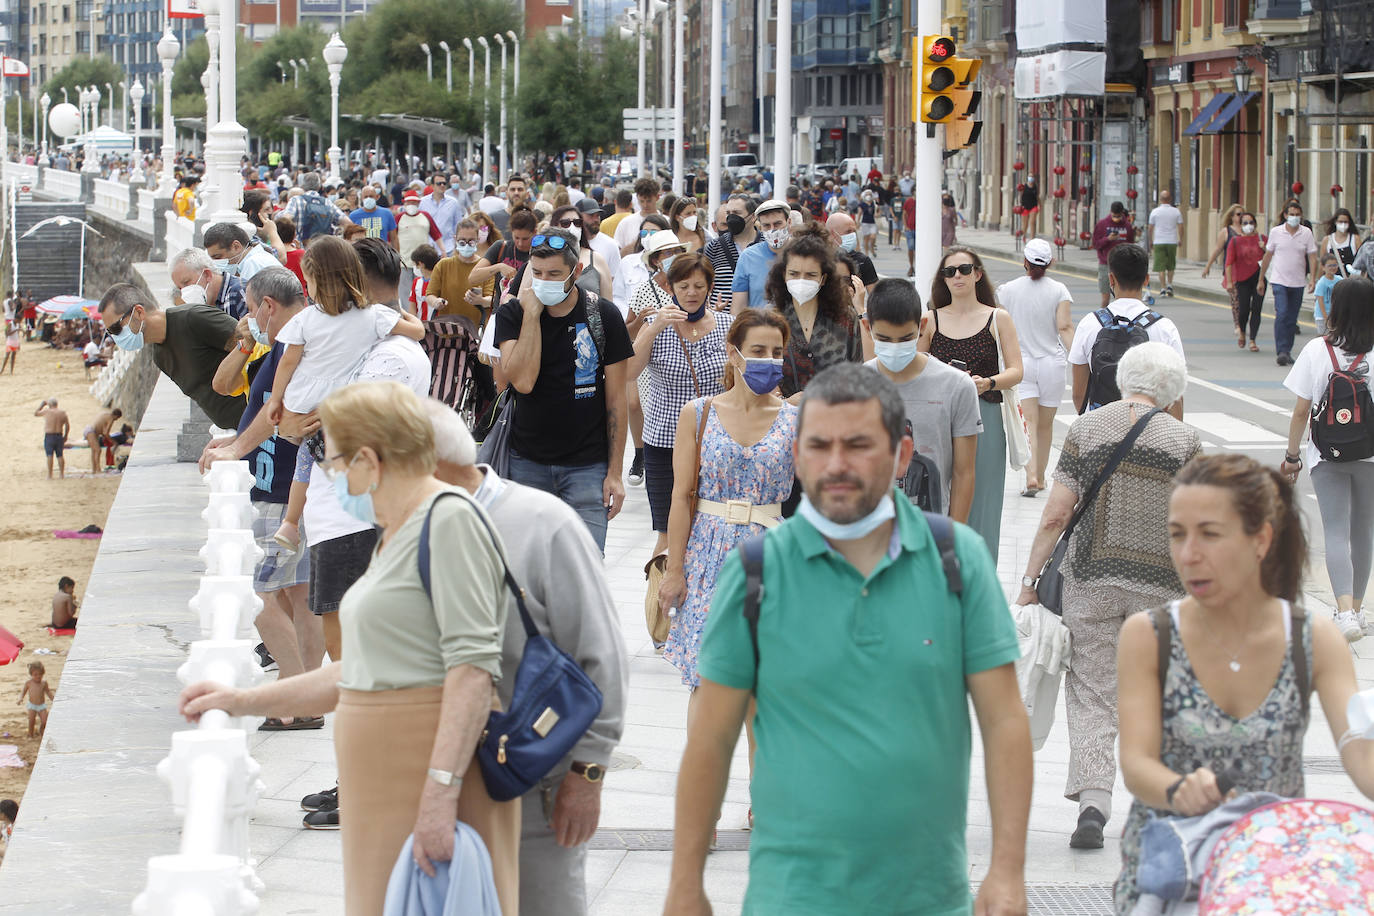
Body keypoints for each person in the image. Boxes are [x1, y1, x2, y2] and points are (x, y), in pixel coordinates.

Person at [663, 363, 1031, 915]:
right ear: (795, 456)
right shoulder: (756, 573)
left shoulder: (957, 562)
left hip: (928, 899)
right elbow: (711, 742)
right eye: (818, 446)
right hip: (790, 898)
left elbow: (1004, 723)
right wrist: (684, 883)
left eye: (858, 445)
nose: (836, 465)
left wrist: (1007, 870)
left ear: (902, 455)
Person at [180, 381, 519, 916]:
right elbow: (364, 668)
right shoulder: (396, 530)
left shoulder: (448, 520)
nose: (328, 476)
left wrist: (439, 792)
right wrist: (243, 701)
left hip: (424, 777)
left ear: (367, 458)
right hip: (389, 782)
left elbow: (474, 671)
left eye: (332, 464)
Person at [1113, 453, 1374, 914]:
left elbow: (1359, 751)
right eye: (1177, 534)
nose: (1188, 553)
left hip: (1270, 881)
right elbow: (1135, 762)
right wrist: (1177, 788)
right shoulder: (1148, 635)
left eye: (1210, 534)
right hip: (1171, 876)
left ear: (1261, 540)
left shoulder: (1312, 639)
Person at [424, 400, 628, 916]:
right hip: (450, 772)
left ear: (427, 461)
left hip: (536, 771)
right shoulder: (415, 525)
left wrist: (588, 773)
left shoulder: (543, 523)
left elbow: (600, 653)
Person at [1016, 342, 1200, 848]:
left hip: (1090, 581)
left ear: (1125, 378)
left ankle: (1095, 803)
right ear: (1173, 389)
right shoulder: (1183, 441)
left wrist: (1030, 581)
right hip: (1161, 589)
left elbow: (1056, 513)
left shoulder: (1089, 429)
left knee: (1092, 690)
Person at [201, 268, 327, 723]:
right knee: (298, 592)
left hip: (281, 487)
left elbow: (276, 415)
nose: (251, 319)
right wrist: (235, 441)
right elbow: (263, 411)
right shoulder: (296, 339)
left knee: (255, 594)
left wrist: (236, 447)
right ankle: (306, 693)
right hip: (292, 483)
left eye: (252, 310)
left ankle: (295, 696)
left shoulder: (295, 342)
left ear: (268, 306)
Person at [263, 236, 426, 551]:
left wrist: (275, 400)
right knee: (307, 457)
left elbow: (288, 362)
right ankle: (293, 523)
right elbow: (418, 332)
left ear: (316, 282)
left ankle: (291, 521)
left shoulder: (306, 319)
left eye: (307, 281)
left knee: (304, 459)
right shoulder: (372, 317)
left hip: (301, 398)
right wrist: (402, 314)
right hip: (333, 398)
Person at [494, 227, 633, 552]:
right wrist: (531, 314)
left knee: (584, 574)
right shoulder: (513, 314)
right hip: (526, 465)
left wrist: (615, 473)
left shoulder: (603, 315)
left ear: (576, 271)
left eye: (555, 274)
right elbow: (523, 381)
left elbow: (616, 399)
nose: (544, 281)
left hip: (587, 468)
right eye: (537, 273)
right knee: (529, 575)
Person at [1281, 275, 1374, 641]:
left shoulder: (1318, 350)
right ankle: (1359, 607)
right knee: (1363, 532)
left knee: (1335, 531)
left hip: (1327, 454)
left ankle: (1345, 611)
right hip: (1370, 453)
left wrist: (1292, 456)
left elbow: (1301, 410)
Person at [919, 247, 1024, 563]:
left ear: (978, 273)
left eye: (964, 269)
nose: (957, 277)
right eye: (949, 272)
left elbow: (1016, 371)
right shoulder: (930, 320)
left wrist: (987, 382)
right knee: (934, 495)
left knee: (983, 503)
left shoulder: (997, 317)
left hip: (985, 414)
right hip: (938, 418)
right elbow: (916, 365)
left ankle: (979, 579)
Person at [626, 253, 733, 551]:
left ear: (709, 288)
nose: (692, 293)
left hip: (715, 441)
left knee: (711, 527)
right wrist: (654, 327)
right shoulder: (655, 325)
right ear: (670, 288)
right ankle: (659, 594)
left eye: (699, 286)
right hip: (664, 442)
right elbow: (630, 372)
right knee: (666, 531)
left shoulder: (729, 324)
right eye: (683, 286)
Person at [864, 278, 981, 521]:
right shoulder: (852, 386)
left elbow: (964, 473)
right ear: (867, 327)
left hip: (929, 533)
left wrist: (952, 539)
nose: (895, 347)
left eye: (906, 338)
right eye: (884, 339)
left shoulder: (957, 386)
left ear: (922, 325)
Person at [99, 285, 246, 429]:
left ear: (139, 312)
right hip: (237, 431)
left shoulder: (193, 318)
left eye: (116, 328)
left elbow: (253, 347)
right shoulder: (159, 356)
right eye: (110, 333)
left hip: (258, 421)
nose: (115, 337)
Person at [1069, 243, 1186, 418]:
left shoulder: (1090, 324)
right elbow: (1176, 396)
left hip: (1101, 425)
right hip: (1149, 428)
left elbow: (1079, 394)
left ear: (1111, 279)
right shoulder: (1164, 328)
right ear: (1146, 280)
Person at [995, 238, 1074, 495]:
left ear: (1025, 262)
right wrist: (1079, 356)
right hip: (1053, 363)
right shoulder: (1060, 290)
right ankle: (1040, 477)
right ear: (1051, 262)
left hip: (1022, 362)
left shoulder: (1006, 291)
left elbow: (1000, 329)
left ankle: (1030, 476)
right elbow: (1064, 327)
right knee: (1046, 425)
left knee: (1028, 421)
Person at [768, 227, 870, 398]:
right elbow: (761, 380)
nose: (801, 280)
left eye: (810, 275)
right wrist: (784, 403)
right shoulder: (771, 321)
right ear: (783, 275)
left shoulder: (845, 319)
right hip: (786, 419)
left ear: (823, 279)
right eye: (794, 273)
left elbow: (858, 373)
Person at [1259, 199, 1319, 367]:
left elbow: (1312, 257)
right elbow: (1268, 255)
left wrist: (1312, 279)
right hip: (1279, 280)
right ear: (1285, 215)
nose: (1294, 217)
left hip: (1298, 281)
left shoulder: (1306, 232)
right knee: (1282, 313)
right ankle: (1281, 351)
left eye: (1297, 215)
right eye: (1291, 214)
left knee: (1292, 318)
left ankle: (1288, 350)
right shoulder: (1276, 232)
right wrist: (1261, 279)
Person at [420, 220, 496, 325]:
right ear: (455, 239)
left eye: (471, 241)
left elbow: (491, 299)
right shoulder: (443, 265)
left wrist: (481, 301)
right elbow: (430, 295)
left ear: (478, 240)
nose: (466, 245)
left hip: (475, 330)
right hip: (447, 328)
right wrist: (436, 302)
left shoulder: (485, 267)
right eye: (462, 241)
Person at [731, 200, 793, 312]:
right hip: (759, 326)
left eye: (778, 224)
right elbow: (738, 308)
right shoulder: (748, 257)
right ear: (760, 227)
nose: (772, 229)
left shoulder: (803, 253)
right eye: (766, 226)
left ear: (789, 222)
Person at [1224, 210, 1268, 350]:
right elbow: (1229, 262)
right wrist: (1230, 282)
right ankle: (1242, 332)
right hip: (1242, 279)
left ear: (1255, 224)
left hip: (1259, 278)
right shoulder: (1236, 241)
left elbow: (1272, 257)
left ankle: (1253, 340)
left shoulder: (1262, 239)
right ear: (1241, 224)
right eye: (1245, 223)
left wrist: (1265, 248)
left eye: (1251, 223)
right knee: (1243, 310)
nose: (1248, 225)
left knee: (1256, 309)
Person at [551, 205, 614, 302]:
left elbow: (609, 304)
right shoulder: (542, 259)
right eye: (565, 223)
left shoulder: (597, 259)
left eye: (577, 222)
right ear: (555, 226)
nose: (572, 227)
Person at [169, 246, 248, 319]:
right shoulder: (204, 303)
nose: (184, 292)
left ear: (207, 275)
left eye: (186, 282)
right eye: (180, 288)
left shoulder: (240, 293)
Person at [397, 189, 443, 302]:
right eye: (409, 203)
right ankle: (409, 315)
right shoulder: (399, 218)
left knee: (424, 289)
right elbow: (392, 238)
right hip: (404, 262)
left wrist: (443, 250)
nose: (412, 205)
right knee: (405, 292)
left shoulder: (425, 216)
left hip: (424, 262)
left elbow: (436, 234)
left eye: (414, 203)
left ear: (418, 203)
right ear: (404, 203)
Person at [1091, 201, 1137, 308]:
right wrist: (1108, 239)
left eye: (1119, 216)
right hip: (1105, 264)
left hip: (1122, 265)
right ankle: (1103, 320)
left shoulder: (1127, 226)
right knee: (1105, 298)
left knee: (1121, 298)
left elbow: (1131, 244)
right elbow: (1096, 244)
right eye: (1114, 216)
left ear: (1122, 213)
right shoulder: (1102, 224)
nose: (1116, 218)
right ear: (1111, 212)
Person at [282, 172, 352, 242]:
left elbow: (285, 220)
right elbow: (348, 222)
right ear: (319, 186)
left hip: (301, 248)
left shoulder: (296, 200)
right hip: (323, 247)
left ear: (302, 186)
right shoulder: (327, 203)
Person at [203, 222, 281, 284]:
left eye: (218, 257)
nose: (215, 262)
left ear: (236, 246)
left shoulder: (253, 264)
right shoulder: (255, 259)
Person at [824, 212, 880, 289]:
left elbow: (874, 296)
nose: (853, 235)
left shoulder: (862, 261)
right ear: (832, 233)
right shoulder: (818, 258)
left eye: (854, 231)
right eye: (848, 231)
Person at [1147, 189, 1185, 296]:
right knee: (1171, 264)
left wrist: (1150, 240)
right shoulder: (1176, 211)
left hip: (1159, 241)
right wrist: (1181, 239)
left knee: (1160, 266)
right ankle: (1170, 285)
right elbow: (1181, 226)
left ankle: (1163, 288)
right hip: (1172, 241)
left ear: (1160, 199)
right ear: (1170, 199)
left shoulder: (1155, 212)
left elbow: (1150, 228)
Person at [613, 177, 663, 257]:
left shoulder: (667, 221)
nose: (645, 205)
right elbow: (617, 254)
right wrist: (636, 245)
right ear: (637, 197)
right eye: (642, 201)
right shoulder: (626, 223)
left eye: (649, 201)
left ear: (657, 197)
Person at [418, 175, 461, 255]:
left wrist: (457, 246)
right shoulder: (422, 202)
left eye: (444, 183)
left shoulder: (453, 203)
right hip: (427, 248)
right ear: (432, 186)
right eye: (439, 183)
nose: (442, 185)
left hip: (449, 248)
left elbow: (458, 226)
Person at [34, 398, 70, 479]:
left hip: (49, 436)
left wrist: (42, 405)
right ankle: (61, 474)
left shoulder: (47, 411)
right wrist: (66, 436)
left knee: (49, 455)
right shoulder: (62, 412)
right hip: (59, 435)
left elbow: (36, 413)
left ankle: (50, 475)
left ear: (49, 405)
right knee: (60, 455)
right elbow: (67, 425)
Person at [81, 406, 123, 475]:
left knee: (94, 451)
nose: (116, 420)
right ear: (116, 415)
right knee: (98, 450)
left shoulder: (105, 414)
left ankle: (94, 470)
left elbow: (102, 429)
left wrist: (105, 437)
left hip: (90, 430)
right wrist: (114, 442)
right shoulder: (111, 419)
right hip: (91, 432)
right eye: (117, 418)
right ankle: (98, 469)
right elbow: (106, 433)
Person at [1320, 207, 1360, 276]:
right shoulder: (1327, 240)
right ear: (1335, 222)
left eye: (1345, 222)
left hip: (1350, 281)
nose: (1343, 224)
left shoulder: (1355, 239)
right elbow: (1322, 263)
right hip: (1332, 281)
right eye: (1340, 222)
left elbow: (1360, 261)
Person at [19, 662, 54, 738]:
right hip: (32, 705)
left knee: (45, 721)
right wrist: (20, 698)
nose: (38, 676)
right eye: (35, 674)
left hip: (41, 706)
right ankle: (30, 734)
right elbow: (23, 691)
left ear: (43, 674)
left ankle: (41, 729)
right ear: (31, 674)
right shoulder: (29, 683)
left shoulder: (44, 683)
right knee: (31, 721)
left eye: (40, 674)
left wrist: (53, 699)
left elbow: (48, 692)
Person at [1311, 253, 1342, 337]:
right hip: (1322, 316)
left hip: (1334, 315)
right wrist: (1326, 318)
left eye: (1335, 265)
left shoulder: (1339, 279)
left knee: (1334, 336)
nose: (1333, 268)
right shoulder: (1322, 282)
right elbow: (1320, 301)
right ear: (1323, 267)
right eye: (1330, 265)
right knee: (1323, 337)